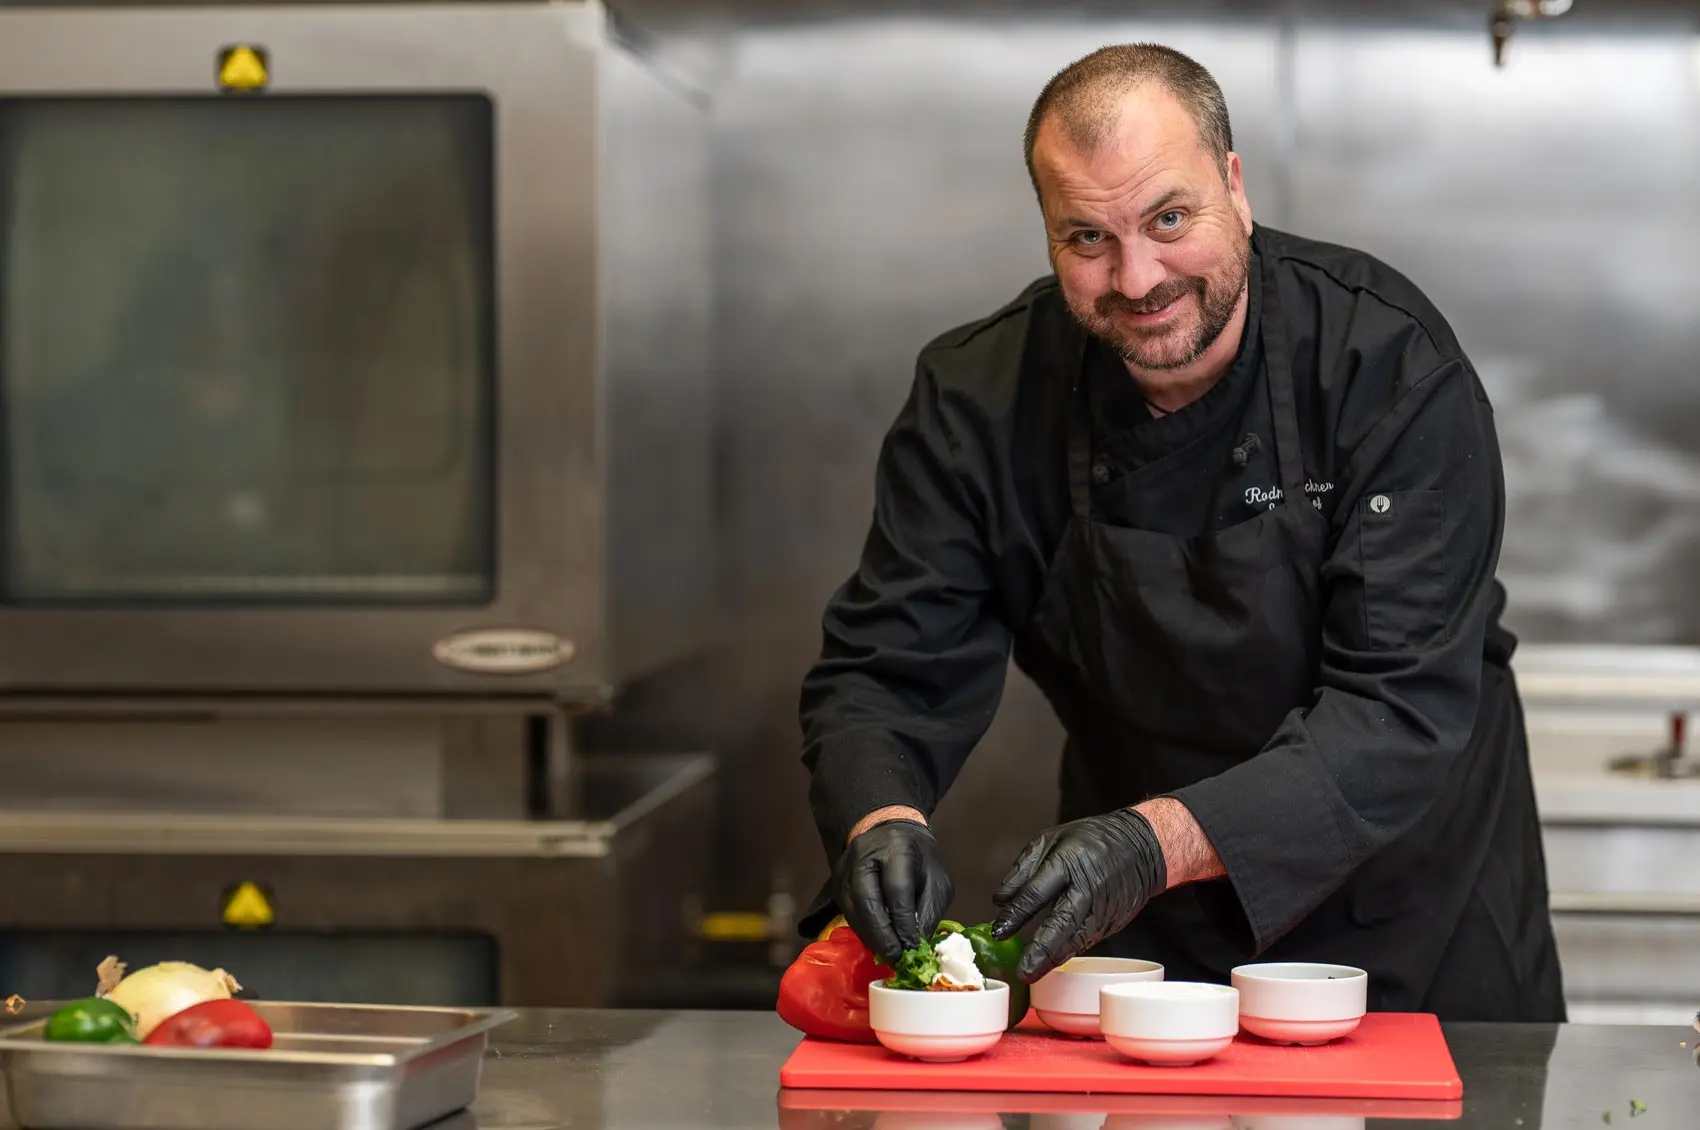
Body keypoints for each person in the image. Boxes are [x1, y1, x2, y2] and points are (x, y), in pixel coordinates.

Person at [794, 42, 1566, 1021]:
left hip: (1415, 930)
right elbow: (884, 668)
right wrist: (878, 815)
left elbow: (1398, 708)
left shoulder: (1384, 364)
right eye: (1085, 238)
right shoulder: (977, 400)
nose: (1137, 276)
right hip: (1142, 956)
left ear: (1233, 186)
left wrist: (1145, 842)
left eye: (1168, 217)